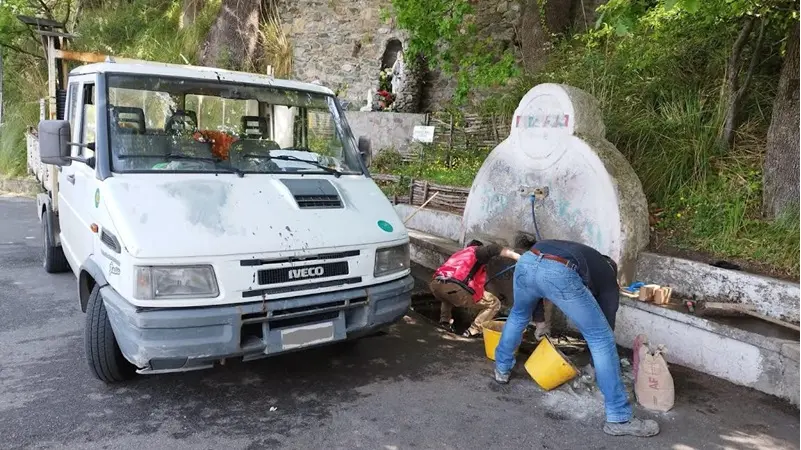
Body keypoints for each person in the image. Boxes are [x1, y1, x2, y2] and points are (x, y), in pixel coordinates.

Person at [493, 239, 659, 438]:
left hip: (528, 260)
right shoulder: (607, 276)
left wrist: (540, 321)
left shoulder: (585, 255)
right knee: (601, 338)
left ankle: (502, 369)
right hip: (558, 271)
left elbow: (537, 286)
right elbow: (606, 320)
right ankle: (619, 418)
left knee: (519, 314)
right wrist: (595, 361)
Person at [429, 240, 520, 338]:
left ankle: (444, 322)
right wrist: (519, 257)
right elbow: (493, 249)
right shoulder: (476, 251)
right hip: (457, 289)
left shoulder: (460, 254)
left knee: (448, 295)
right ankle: (473, 331)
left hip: (436, 285)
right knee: (494, 303)